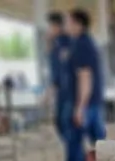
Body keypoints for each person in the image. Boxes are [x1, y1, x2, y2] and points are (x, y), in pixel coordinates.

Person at [63, 8, 106, 161]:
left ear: (78, 24)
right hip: (90, 102)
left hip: (85, 102)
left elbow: (85, 77)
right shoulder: (85, 43)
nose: (66, 25)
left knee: (76, 141)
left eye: (68, 22)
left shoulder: (82, 45)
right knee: (97, 142)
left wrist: (80, 107)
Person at [45, 11, 71, 141]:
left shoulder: (63, 42)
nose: (49, 29)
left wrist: (52, 88)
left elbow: (62, 68)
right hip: (61, 89)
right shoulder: (56, 42)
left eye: (50, 26)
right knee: (60, 123)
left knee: (63, 123)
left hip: (66, 89)